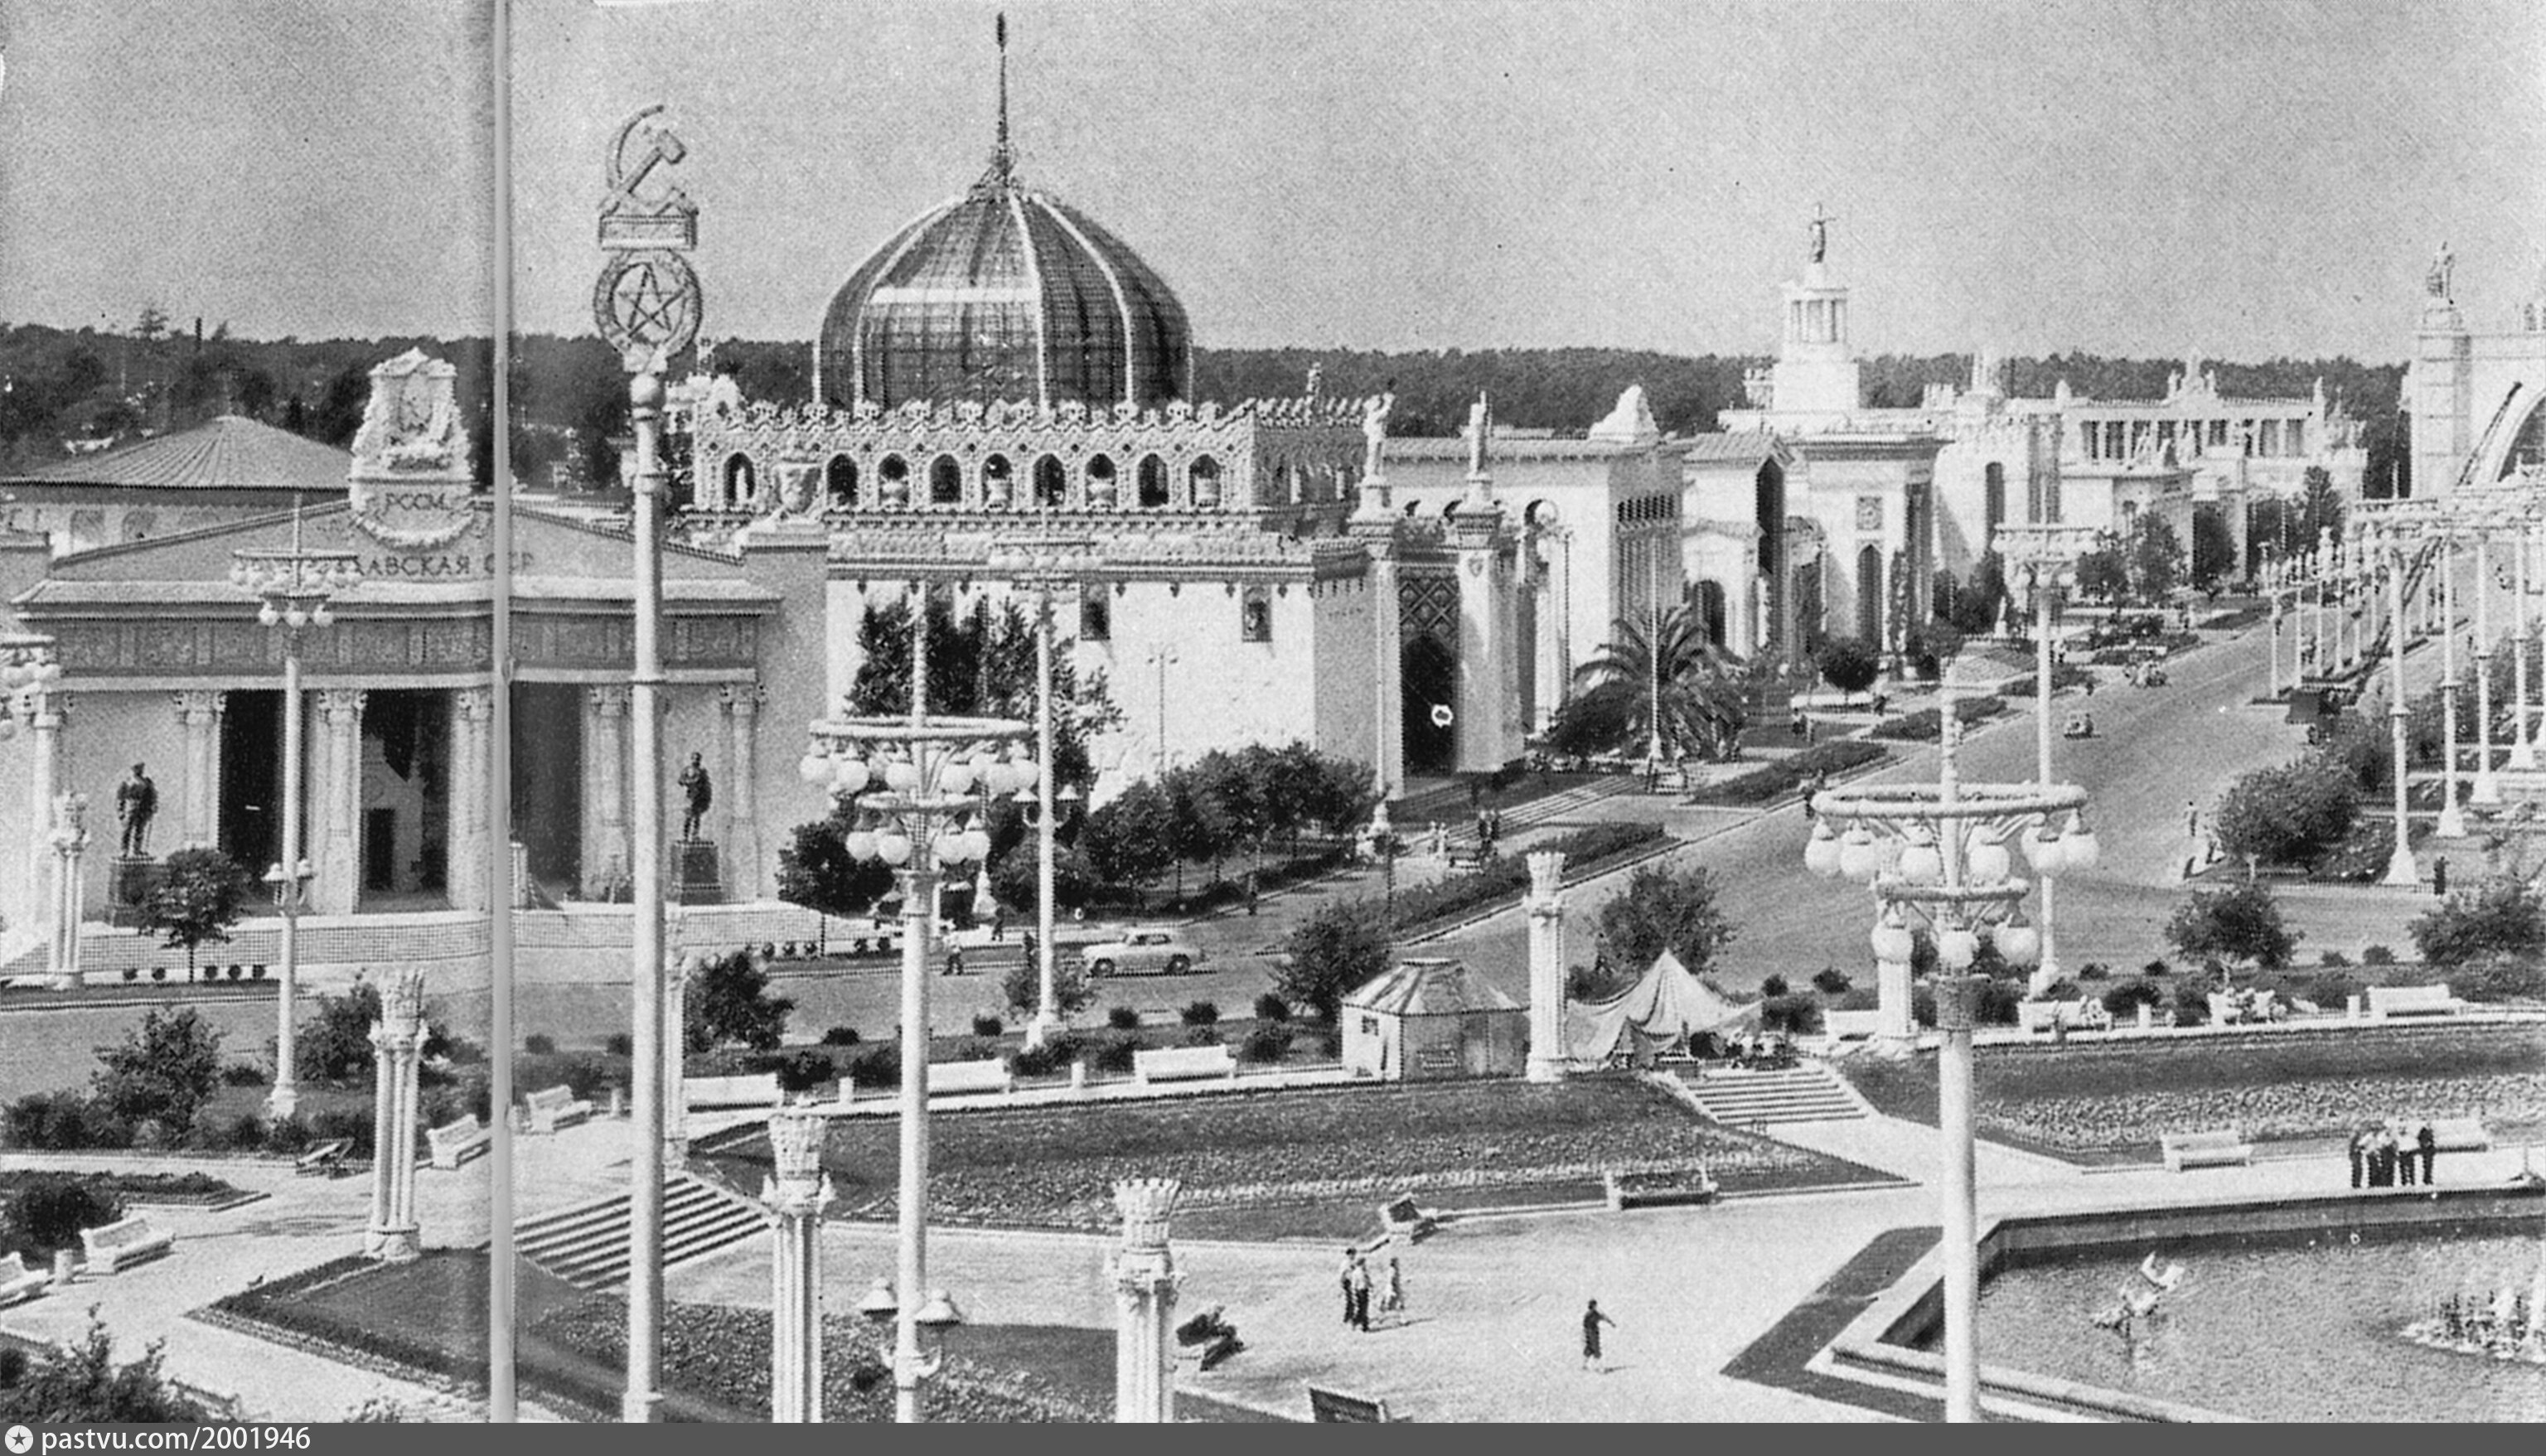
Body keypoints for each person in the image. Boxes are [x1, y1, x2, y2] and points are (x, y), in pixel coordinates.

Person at [114, 763, 157, 858]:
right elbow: (120, 797)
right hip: (131, 806)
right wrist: (120, 810)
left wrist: (153, 805)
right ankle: (124, 850)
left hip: (143, 807)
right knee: (127, 829)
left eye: (141, 768)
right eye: (137, 768)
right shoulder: (127, 781)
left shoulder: (146, 782)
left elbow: (153, 794)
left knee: (140, 829)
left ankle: (137, 850)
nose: (139, 770)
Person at [678, 752, 713, 841]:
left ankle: (695, 836)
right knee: (688, 817)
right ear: (692, 759)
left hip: (699, 797)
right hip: (690, 796)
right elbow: (681, 781)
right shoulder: (687, 770)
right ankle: (685, 836)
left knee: (697, 818)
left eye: (698, 759)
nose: (696, 761)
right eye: (694, 759)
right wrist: (689, 783)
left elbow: (706, 784)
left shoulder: (702, 771)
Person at [1581, 1299, 1616, 1372]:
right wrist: (1611, 1323)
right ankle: (1599, 1367)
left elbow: (1603, 1317)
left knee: (1589, 1349)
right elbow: (1603, 1317)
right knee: (1595, 1349)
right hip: (1592, 1333)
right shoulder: (1592, 1315)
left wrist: (1611, 1323)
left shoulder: (1591, 1314)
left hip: (1590, 1333)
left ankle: (1585, 1365)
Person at [1348, 1250, 1374, 1332]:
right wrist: (1354, 1294)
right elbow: (1354, 1284)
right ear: (1361, 1264)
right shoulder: (1356, 1273)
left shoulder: (1364, 1272)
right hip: (1359, 1292)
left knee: (1365, 1309)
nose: (1365, 1265)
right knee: (1362, 1309)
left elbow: (1367, 1280)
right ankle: (1355, 1322)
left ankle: (1365, 1326)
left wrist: (1371, 1285)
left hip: (1365, 1291)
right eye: (1364, 1263)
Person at [1381, 1257, 1405, 1323]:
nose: (1398, 1264)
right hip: (1393, 1289)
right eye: (1397, 1262)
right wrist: (1392, 1290)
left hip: (1396, 1288)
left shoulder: (1395, 1270)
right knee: (1389, 1304)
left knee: (1400, 1303)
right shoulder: (1392, 1271)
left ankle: (1402, 1319)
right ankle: (1382, 1317)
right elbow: (1391, 1280)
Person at [2418, 1120, 2439, 1185]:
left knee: (2429, 1165)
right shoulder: (2423, 1131)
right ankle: (2426, 1179)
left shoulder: (2431, 1131)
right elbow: (2420, 1139)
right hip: (2426, 1150)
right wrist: (2425, 1144)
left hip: (2430, 1150)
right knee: (2427, 1165)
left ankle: (2428, 1178)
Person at [2348, 1126, 2367, 1190]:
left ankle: (2355, 1183)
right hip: (2356, 1155)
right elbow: (2357, 1146)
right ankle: (2356, 1184)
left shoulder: (2354, 1137)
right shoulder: (2356, 1137)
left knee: (2356, 1169)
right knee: (2358, 1169)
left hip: (2354, 1155)